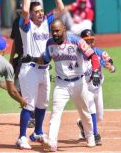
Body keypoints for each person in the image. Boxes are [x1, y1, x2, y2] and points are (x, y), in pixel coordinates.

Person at [21, 19, 101, 151]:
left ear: (64, 29)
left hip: (78, 82)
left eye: (57, 30)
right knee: (55, 114)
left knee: (84, 112)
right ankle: (52, 143)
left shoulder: (76, 41)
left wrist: (96, 71)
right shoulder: (50, 43)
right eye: (52, 31)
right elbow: (45, 60)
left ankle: (90, 136)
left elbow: (93, 56)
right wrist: (32, 59)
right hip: (61, 84)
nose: (55, 33)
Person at [15, 0, 65, 150]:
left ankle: (37, 132)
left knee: (42, 104)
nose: (41, 13)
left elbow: (61, 9)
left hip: (43, 69)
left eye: (42, 11)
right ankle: (22, 137)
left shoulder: (46, 22)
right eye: (37, 11)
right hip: (29, 69)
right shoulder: (26, 25)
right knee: (28, 104)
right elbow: (24, 11)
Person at [76, 29, 115, 146]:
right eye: (87, 41)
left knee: (99, 116)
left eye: (92, 41)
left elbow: (111, 65)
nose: (90, 44)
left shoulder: (98, 53)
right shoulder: (77, 55)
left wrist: (110, 67)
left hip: (97, 88)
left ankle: (83, 125)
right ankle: (95, 134)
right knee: (91, 109)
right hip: (85, 87)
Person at [9, 3, 35, 128]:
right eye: (19, 11)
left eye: (22, 11)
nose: (21, 13)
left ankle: (31, 115)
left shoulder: (33, 23)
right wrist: (11, 58)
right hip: (20, 58)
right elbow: (14, 41)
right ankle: (30, 112)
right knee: (18, 87)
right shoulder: (16, 22)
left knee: (24, 87)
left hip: (32, 59)